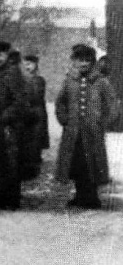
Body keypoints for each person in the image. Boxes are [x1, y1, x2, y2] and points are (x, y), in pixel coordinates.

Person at [55, 44, 113, 209]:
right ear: (74, 61)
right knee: (76, 164)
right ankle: (79, 195)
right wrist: (64, 119)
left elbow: (112, 105)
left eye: (88, 60)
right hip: (73, 132)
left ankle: (92, 197)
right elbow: (61, 103)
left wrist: (102, 122)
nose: (84, 64)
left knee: (92, 164)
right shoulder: (69, 81)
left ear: (93, 62)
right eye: (80, 60)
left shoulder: (101, 82)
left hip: (93, 132)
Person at [0, 41, 28, 210]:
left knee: (11, 162)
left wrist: (4, 117)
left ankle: (12, 199)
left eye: (0, 55)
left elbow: (21, 102)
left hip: (9, 125)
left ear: (6, 56)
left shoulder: (12, 74)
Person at [22, 55, 49, 176]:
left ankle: (34, 167)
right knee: (27, 139)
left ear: (36, 65)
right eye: (25, 64)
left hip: (37, 112)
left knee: (36, 139)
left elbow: (36, 96)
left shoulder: (39, 80)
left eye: (30, 64)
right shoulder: (22, 79)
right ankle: (28, 166)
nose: (28, 66)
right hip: (27, 111)